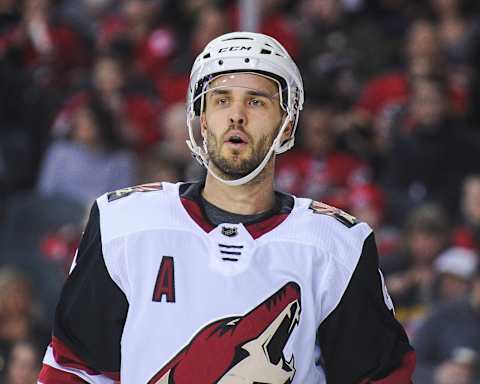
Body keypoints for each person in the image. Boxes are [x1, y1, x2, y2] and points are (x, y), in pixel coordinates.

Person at [37, 32, 415, 383]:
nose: (237, 115)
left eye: (256, 101)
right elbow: (74, 370)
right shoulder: (125, 225)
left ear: (286, 123)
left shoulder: (336, 246)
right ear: (200, 119)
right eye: (221, 100)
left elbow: (380, 377)